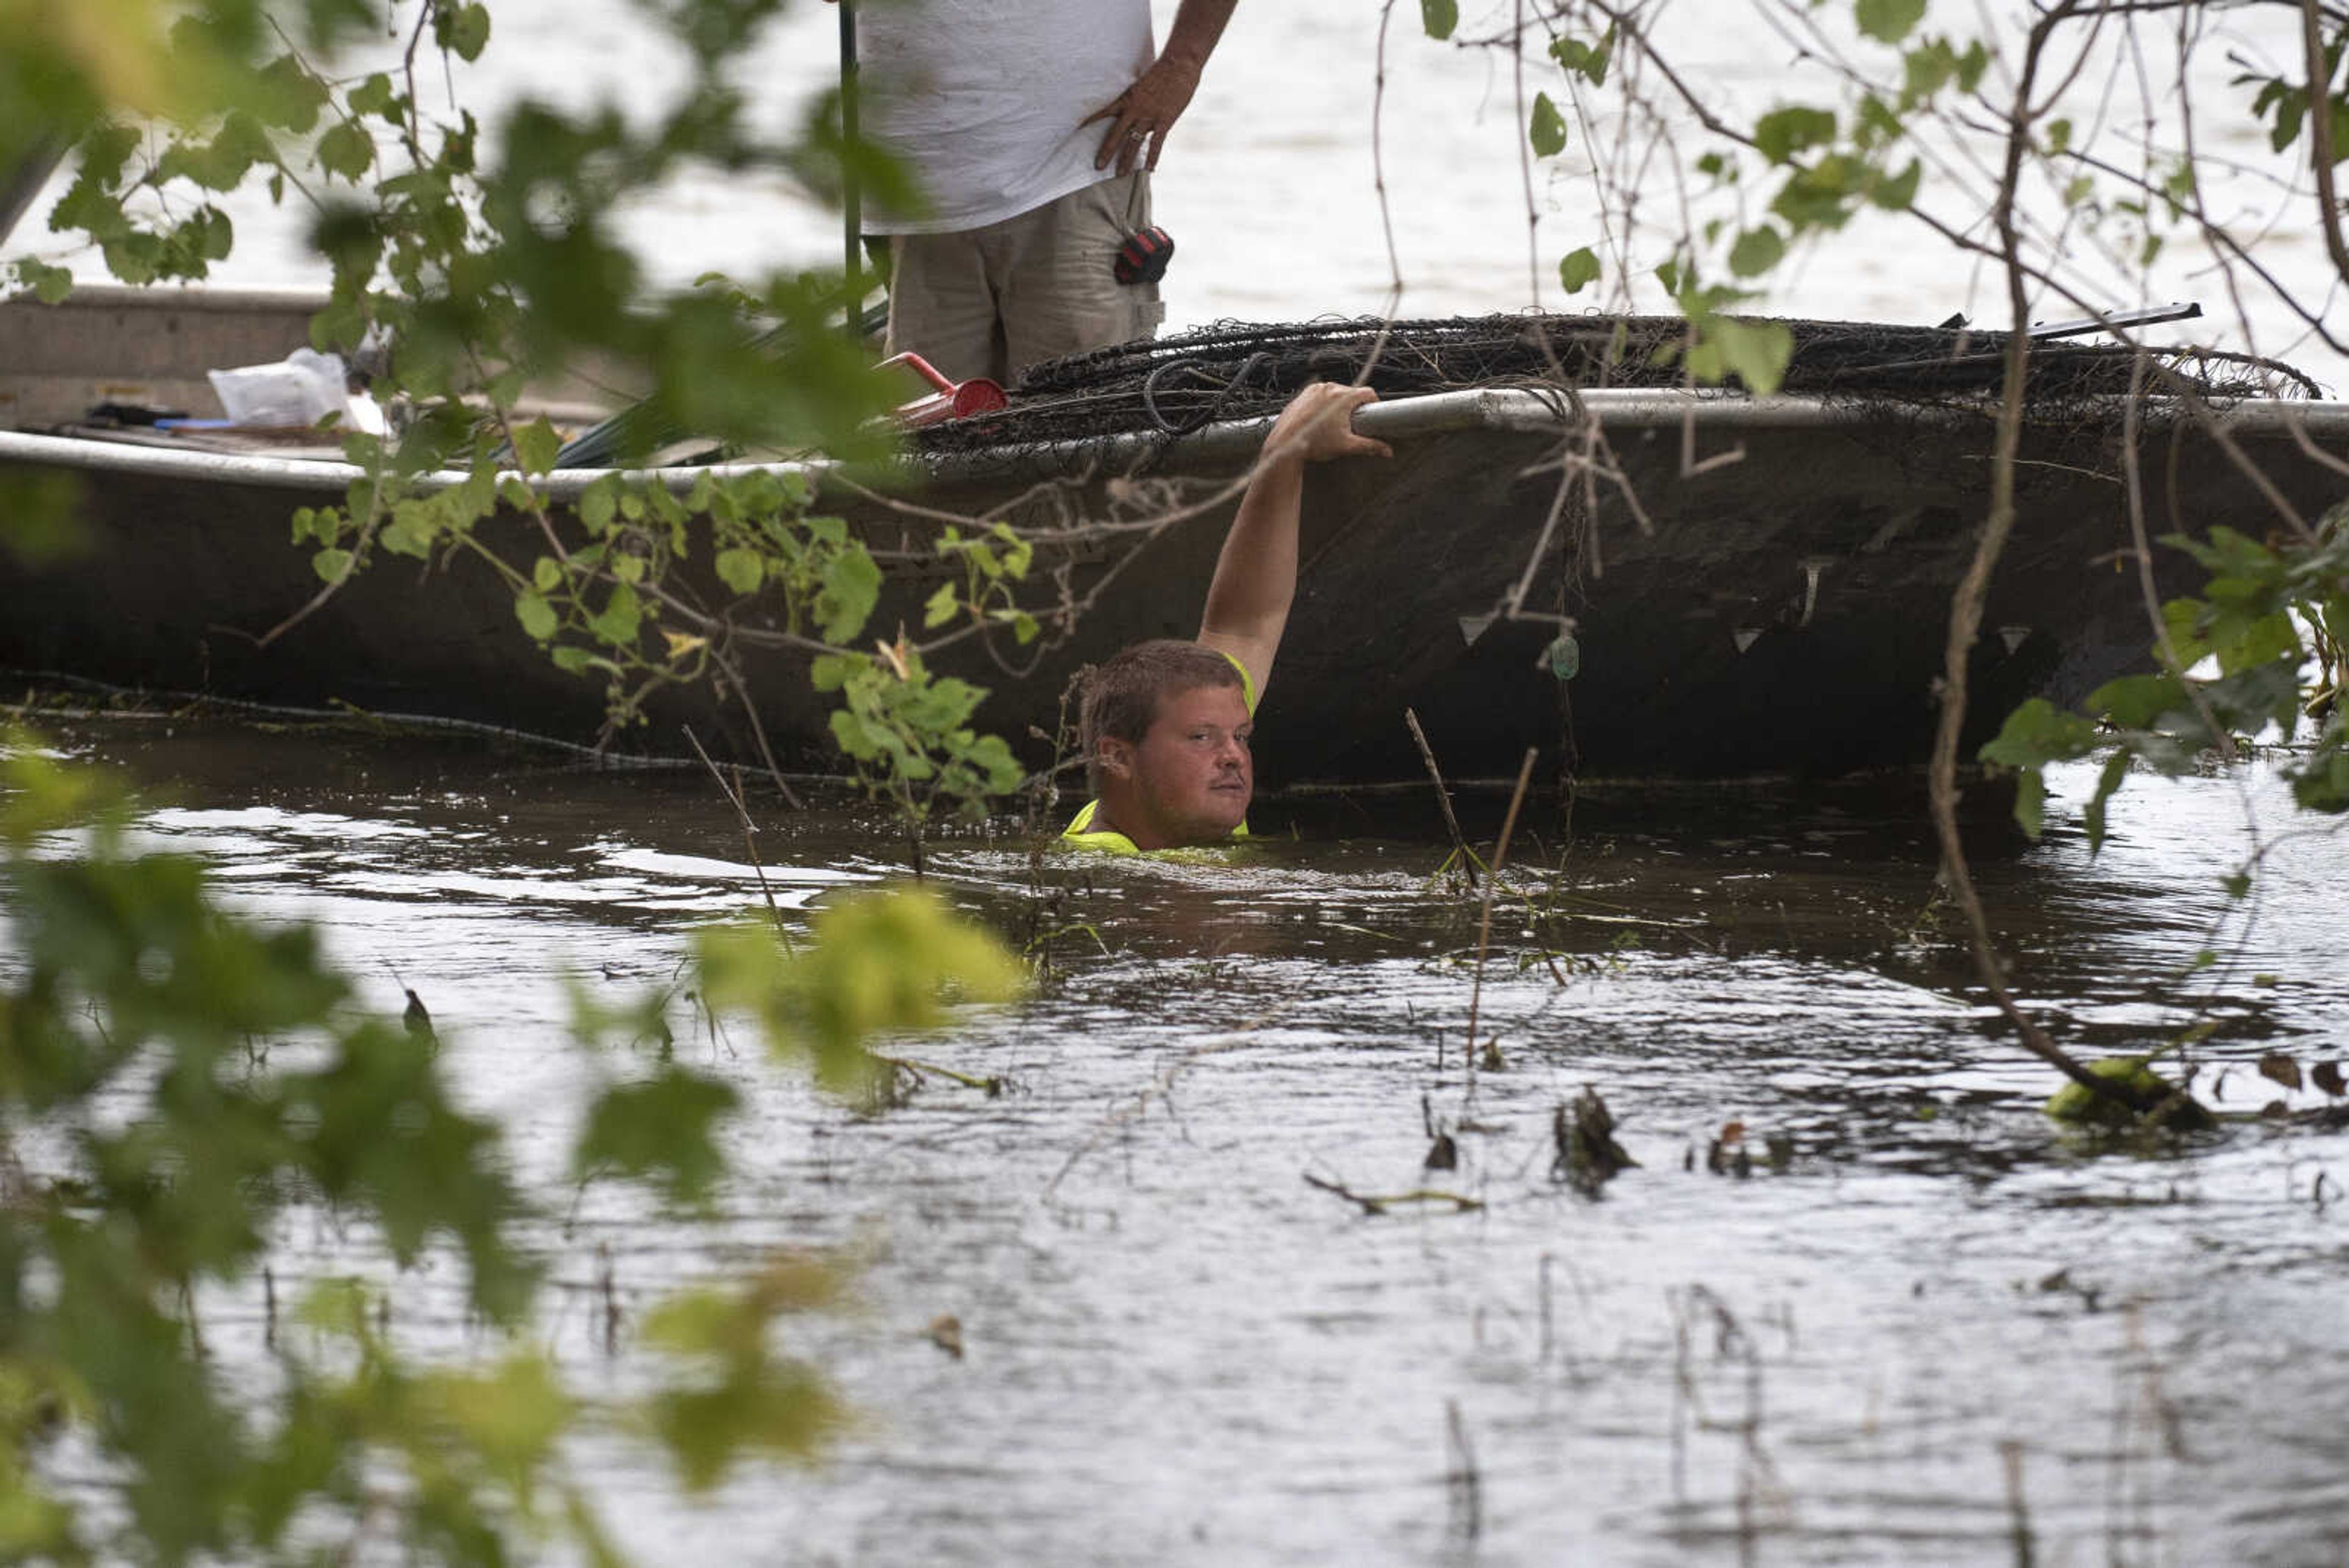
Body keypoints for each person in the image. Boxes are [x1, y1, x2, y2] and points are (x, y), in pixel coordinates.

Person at [1063, 383, 1392, 854]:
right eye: (1201, 738)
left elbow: (1246, 621)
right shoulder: (1104, 863)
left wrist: (1285, 451)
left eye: (1241, 736)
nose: (1234, 758)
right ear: (1118, 756)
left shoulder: (1175, 814)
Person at [840, 0, 1239, 387]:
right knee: (925, 439)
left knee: (1083, 429)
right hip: (914, 187)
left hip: (1074, 167)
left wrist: (1182, 65)